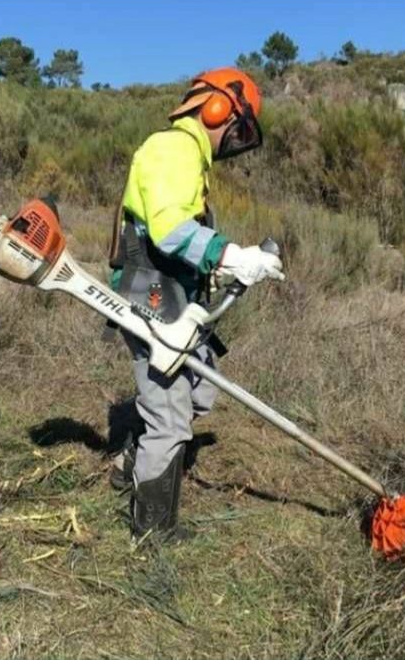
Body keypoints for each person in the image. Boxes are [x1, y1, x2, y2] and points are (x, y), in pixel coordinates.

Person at [107, 67, 284, 542]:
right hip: (150, 290)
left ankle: (134, 458)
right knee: (170, 414)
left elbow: (182, 237)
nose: (236, 139)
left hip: (174, 292)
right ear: (218, 108)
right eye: (238, 127)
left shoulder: (191, 158)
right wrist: (231, 253)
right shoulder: (174, 149)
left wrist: (225, 266)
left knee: (201, 389)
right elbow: (167, 230)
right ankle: (152, 529)